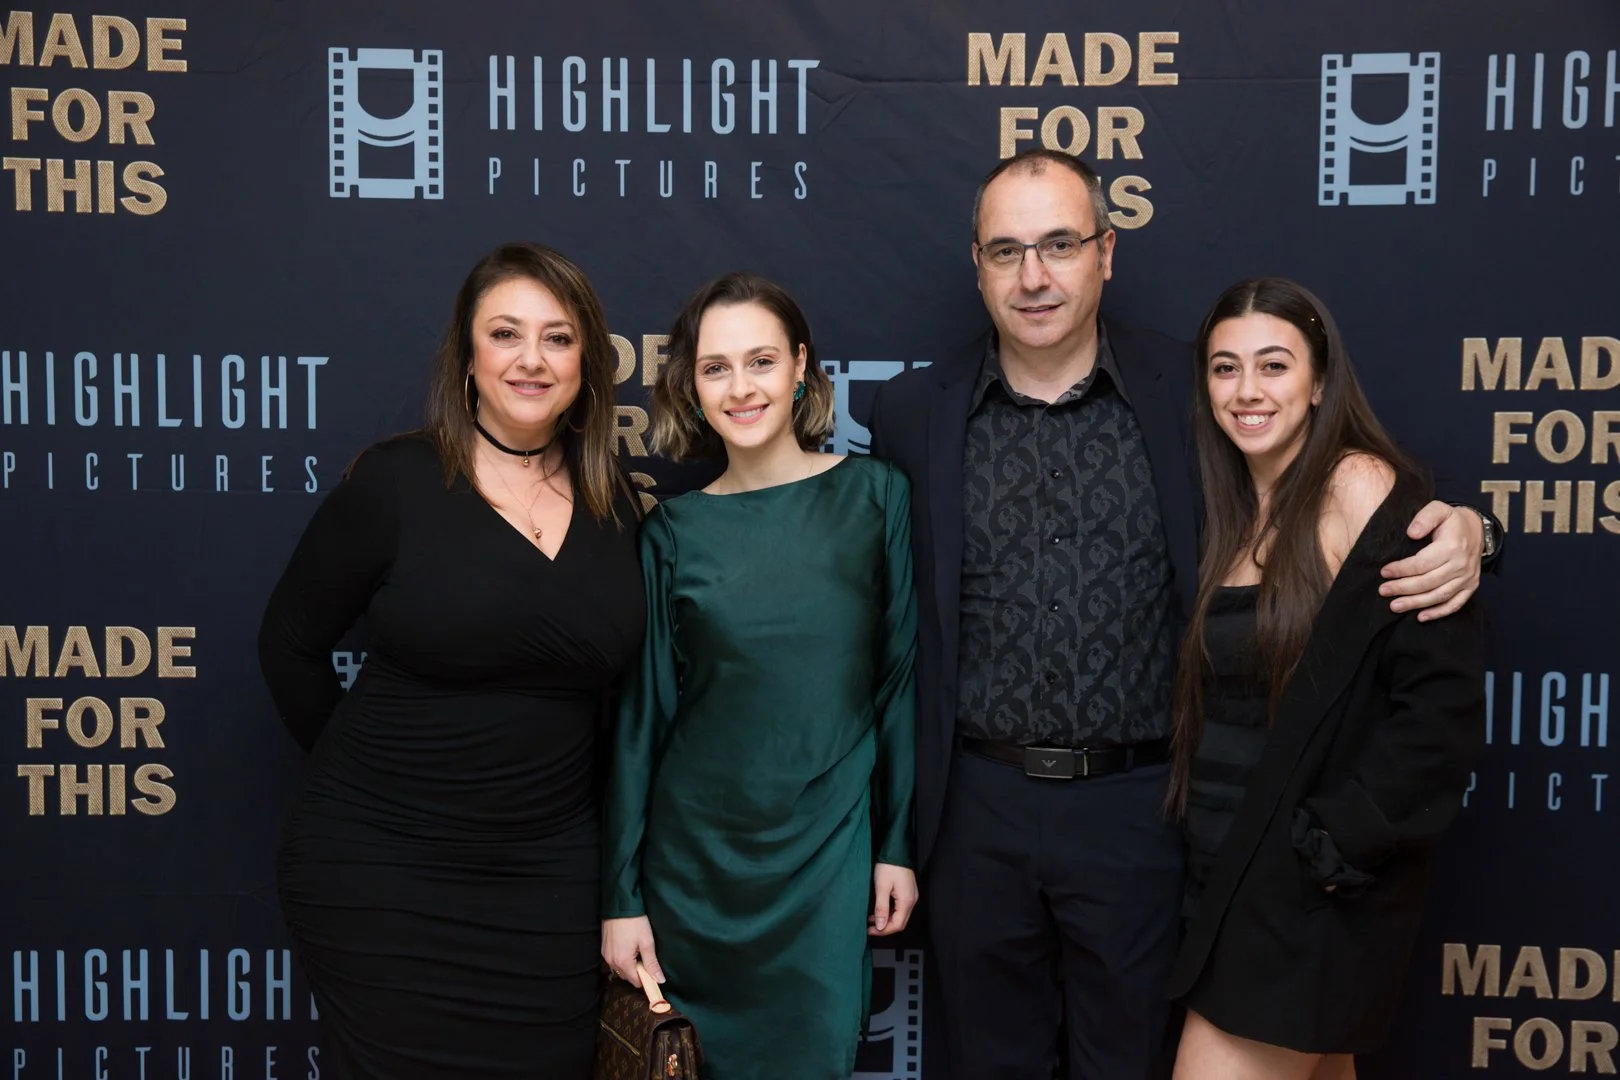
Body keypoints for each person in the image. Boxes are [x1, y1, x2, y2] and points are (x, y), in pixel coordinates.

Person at [864, 149, 1499, 1079]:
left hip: (1146, 809)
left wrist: (1472, 534)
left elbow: (1323, 489)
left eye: (1058, 244)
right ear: (977, 265)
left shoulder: (1192, 393)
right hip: (974, 810)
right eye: (1006, 251)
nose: (1033, 275)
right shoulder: (912, 411)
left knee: (1133, 1060)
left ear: (1106, 253)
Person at [258, 242, 645, 1077]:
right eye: (505, 334)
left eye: (559, 337)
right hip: (382, 871)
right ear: (467, 357)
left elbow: (628, 708)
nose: (532, 360)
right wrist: (377, 786)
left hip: (547, 884)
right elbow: (289, 643)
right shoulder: (396, 484)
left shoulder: (618, 506)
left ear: (589, 360)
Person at [601, 271, 918, 1080]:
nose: (740, 388)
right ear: (691, 384)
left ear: (802, 367)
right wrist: (623, 894)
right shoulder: (672, 531)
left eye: (761, 361)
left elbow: (900, 682)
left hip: (823, 862)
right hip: (694, 873)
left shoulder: (876, 497)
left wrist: (896, 845)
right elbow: (644, 721)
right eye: (716, 368)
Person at [1165, 278, 1486, 1078]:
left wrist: (1334, 843)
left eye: (1273, 366)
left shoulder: (1356, 486)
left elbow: (1438, 705)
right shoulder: (1233, 511)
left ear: (1317, 382)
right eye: (1224, 368)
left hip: (1303, 891)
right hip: (1227, 875)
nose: (1247, 392)